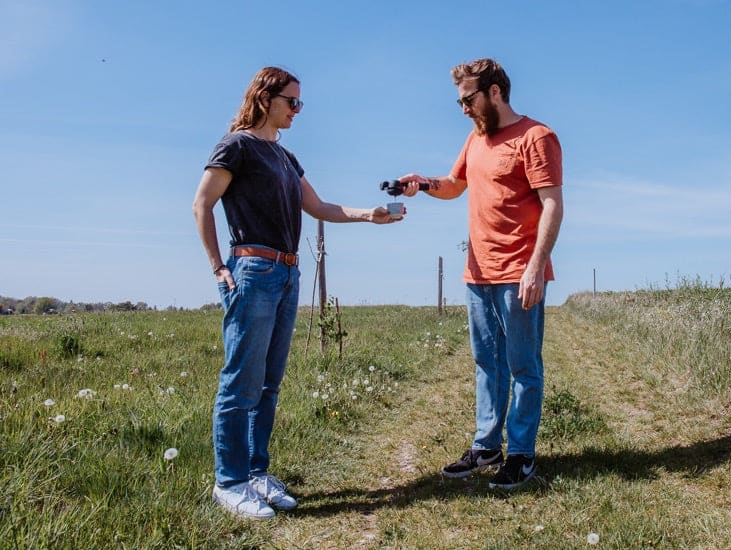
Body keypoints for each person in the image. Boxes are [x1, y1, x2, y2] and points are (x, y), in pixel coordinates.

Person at [193, 66, 400, 519]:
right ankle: (228, 483)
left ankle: (255, 473)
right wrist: (217, 268)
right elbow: (202, 204)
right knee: (240, 382)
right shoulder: (237, 146)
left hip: (288, 274)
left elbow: (319, 206)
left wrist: (371, 215)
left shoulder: (286, 158)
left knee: (268, 384)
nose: (298, 110)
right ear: (266, 99)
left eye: (300, 103)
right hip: (252, 269)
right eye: (293, 102)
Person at [399, 58, 564, 490]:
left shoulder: (536, 137)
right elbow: (454, 185)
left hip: (518, 273)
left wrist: (534, 267)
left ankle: (522, 453)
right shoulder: (475, 141)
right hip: (478, 273)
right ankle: (487, 445)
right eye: (460, 102)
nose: (464, 108)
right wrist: (423, 183)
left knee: (523, 365)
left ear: (494, 92)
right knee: (487, 364)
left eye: (468, 99)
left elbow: (552, 204)